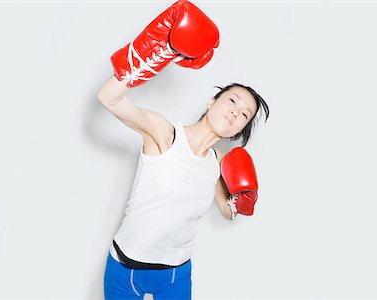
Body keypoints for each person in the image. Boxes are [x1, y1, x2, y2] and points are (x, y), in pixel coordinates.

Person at [97, 1, 269, 299]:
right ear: (211, 102)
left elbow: (227, 213)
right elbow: (108, 98)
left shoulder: (217, 163)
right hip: (125, 269)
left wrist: (242, 202)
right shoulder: (165, 133)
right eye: (232, 101)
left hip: (176, 273)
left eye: (244, 114)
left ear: (240, 130)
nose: (235, 112)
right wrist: (158, 52)